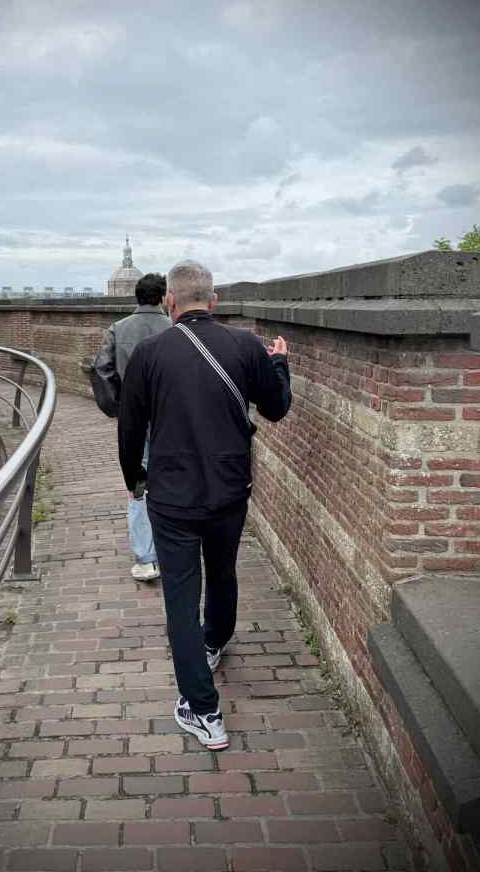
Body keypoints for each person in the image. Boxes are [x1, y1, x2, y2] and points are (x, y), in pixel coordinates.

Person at [118, 259, 291, 749]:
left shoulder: (150, 354)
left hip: (172, 496)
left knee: (179, 595)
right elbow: (276, 408)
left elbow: (129, 429)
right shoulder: (245, 346)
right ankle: (214, 641)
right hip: (230, 488)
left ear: (170, 302)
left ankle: (203, 710)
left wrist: (135, 479)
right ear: (213, 301)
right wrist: (279, 363)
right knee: (223, 570)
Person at [93, 272, 171, 581]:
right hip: (171, 419)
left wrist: (118, 409)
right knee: (171, 482)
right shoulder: (175, 329)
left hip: (135, 421)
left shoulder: (118, 329)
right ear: (164, 297)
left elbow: (101, 370)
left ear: (136, 297)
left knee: (138, 485)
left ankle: (145, 557)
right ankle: (171, 550)